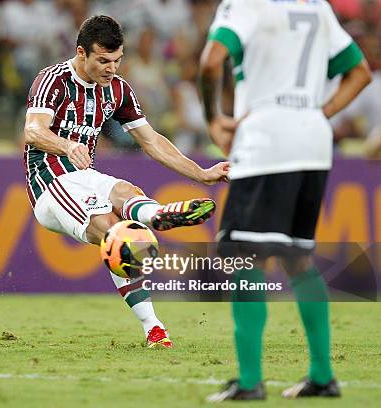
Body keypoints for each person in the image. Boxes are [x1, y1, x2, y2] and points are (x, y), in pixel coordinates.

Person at [198, 0, 372, 401]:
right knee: (299, 258)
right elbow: (359, 73)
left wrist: (213, 119)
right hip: (313, 140)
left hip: (266, 138)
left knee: (244, 255)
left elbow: (211, 62)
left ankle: (248, 381)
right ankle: (323, 376)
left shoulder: (245, 5)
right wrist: (320, 111)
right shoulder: (317, 6)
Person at [24, 15, 229, 349]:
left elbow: (152, 142)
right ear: (81, 53)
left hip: (84, 176)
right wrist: (67, 145)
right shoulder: (54, 80)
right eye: (103, 60)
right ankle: (151, 219)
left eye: (117, 61)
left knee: (126, 193)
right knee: (115, 232)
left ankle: (155, 327)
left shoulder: (117, 89)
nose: (111, 68)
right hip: (50, 183)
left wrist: (202, 174)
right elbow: (32, 131)